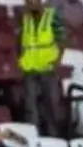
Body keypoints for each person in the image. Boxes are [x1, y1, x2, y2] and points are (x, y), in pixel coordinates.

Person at [19, 0, 65, 136]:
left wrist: (57, 61)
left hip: (47, 67)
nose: (30, 4)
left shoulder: (52, 16)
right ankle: (34, 135)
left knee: (51, 106)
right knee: (30, 106)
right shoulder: (24, 18)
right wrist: (20, 59)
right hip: (30, 68)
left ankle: (54, 136)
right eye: (27, 2)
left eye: (32, 1)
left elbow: (62, 40)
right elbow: (20, 40)